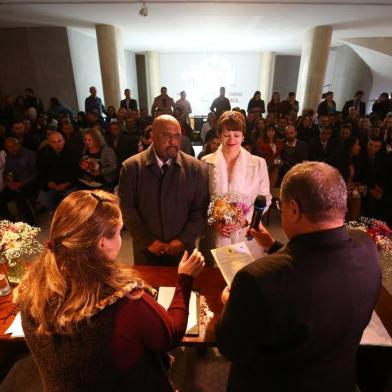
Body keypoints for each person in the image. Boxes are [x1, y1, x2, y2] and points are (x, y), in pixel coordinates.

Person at [216, 162, 381, 392]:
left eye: (281, 207)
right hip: (338, 380)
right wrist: (274, 246)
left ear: (293, 209)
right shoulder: (366, 246)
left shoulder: (256, 279)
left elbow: (229, 345)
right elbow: (317, 266)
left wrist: (229, 303)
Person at [16, 189, 205, 391]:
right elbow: (171, 334)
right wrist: (184, 279)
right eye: (119, 231)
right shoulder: (125, 302)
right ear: (102, 243)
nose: (121, 239)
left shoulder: (29, 291)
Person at [118, 115, 209, 266]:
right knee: (147, 289)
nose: (173, 141)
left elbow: (200, 209)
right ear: (152, 136)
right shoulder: (132, 167)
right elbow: (127, 209)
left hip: (183, 251)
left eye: (177, 136)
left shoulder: (195, 168)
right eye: (167, 135)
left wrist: (183, 239)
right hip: (146, 250)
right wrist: (148, 241)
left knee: (182, 288)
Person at [201, 111, 271, 260]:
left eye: (236, 135)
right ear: (219, 136)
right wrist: (213, 221)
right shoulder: (206, 162)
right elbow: (199, 200)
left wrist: (244, 220)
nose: (231, 140)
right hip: (215, 234)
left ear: (243, 136)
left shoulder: (258, 163)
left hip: (246, 233)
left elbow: (266, 198)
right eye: (226, 135)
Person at [37, 131, 80, 211]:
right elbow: (40, 171)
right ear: (49, 143)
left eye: (59, 141)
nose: (57, 145)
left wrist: (67, 183)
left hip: (69, 184)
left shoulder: (73, 151)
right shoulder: (43, 152)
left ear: (63, 140)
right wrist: (48, 182)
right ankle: (58, 212)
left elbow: (78, 172)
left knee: (72, 200)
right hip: (51, 185)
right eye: (53, 142)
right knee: (43, 198)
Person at [0, 137, 37, 225]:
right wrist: (9, 183)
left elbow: (36, 173)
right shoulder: (9, 157)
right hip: (16, 184)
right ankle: (13, 224)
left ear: (19, 144)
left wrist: (22, 183)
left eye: (14, 145)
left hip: (31, 183)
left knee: (19, 196)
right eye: (9, 147)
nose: (12, 148)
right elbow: (6, 172)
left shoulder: (29, 154)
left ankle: (31, 225)